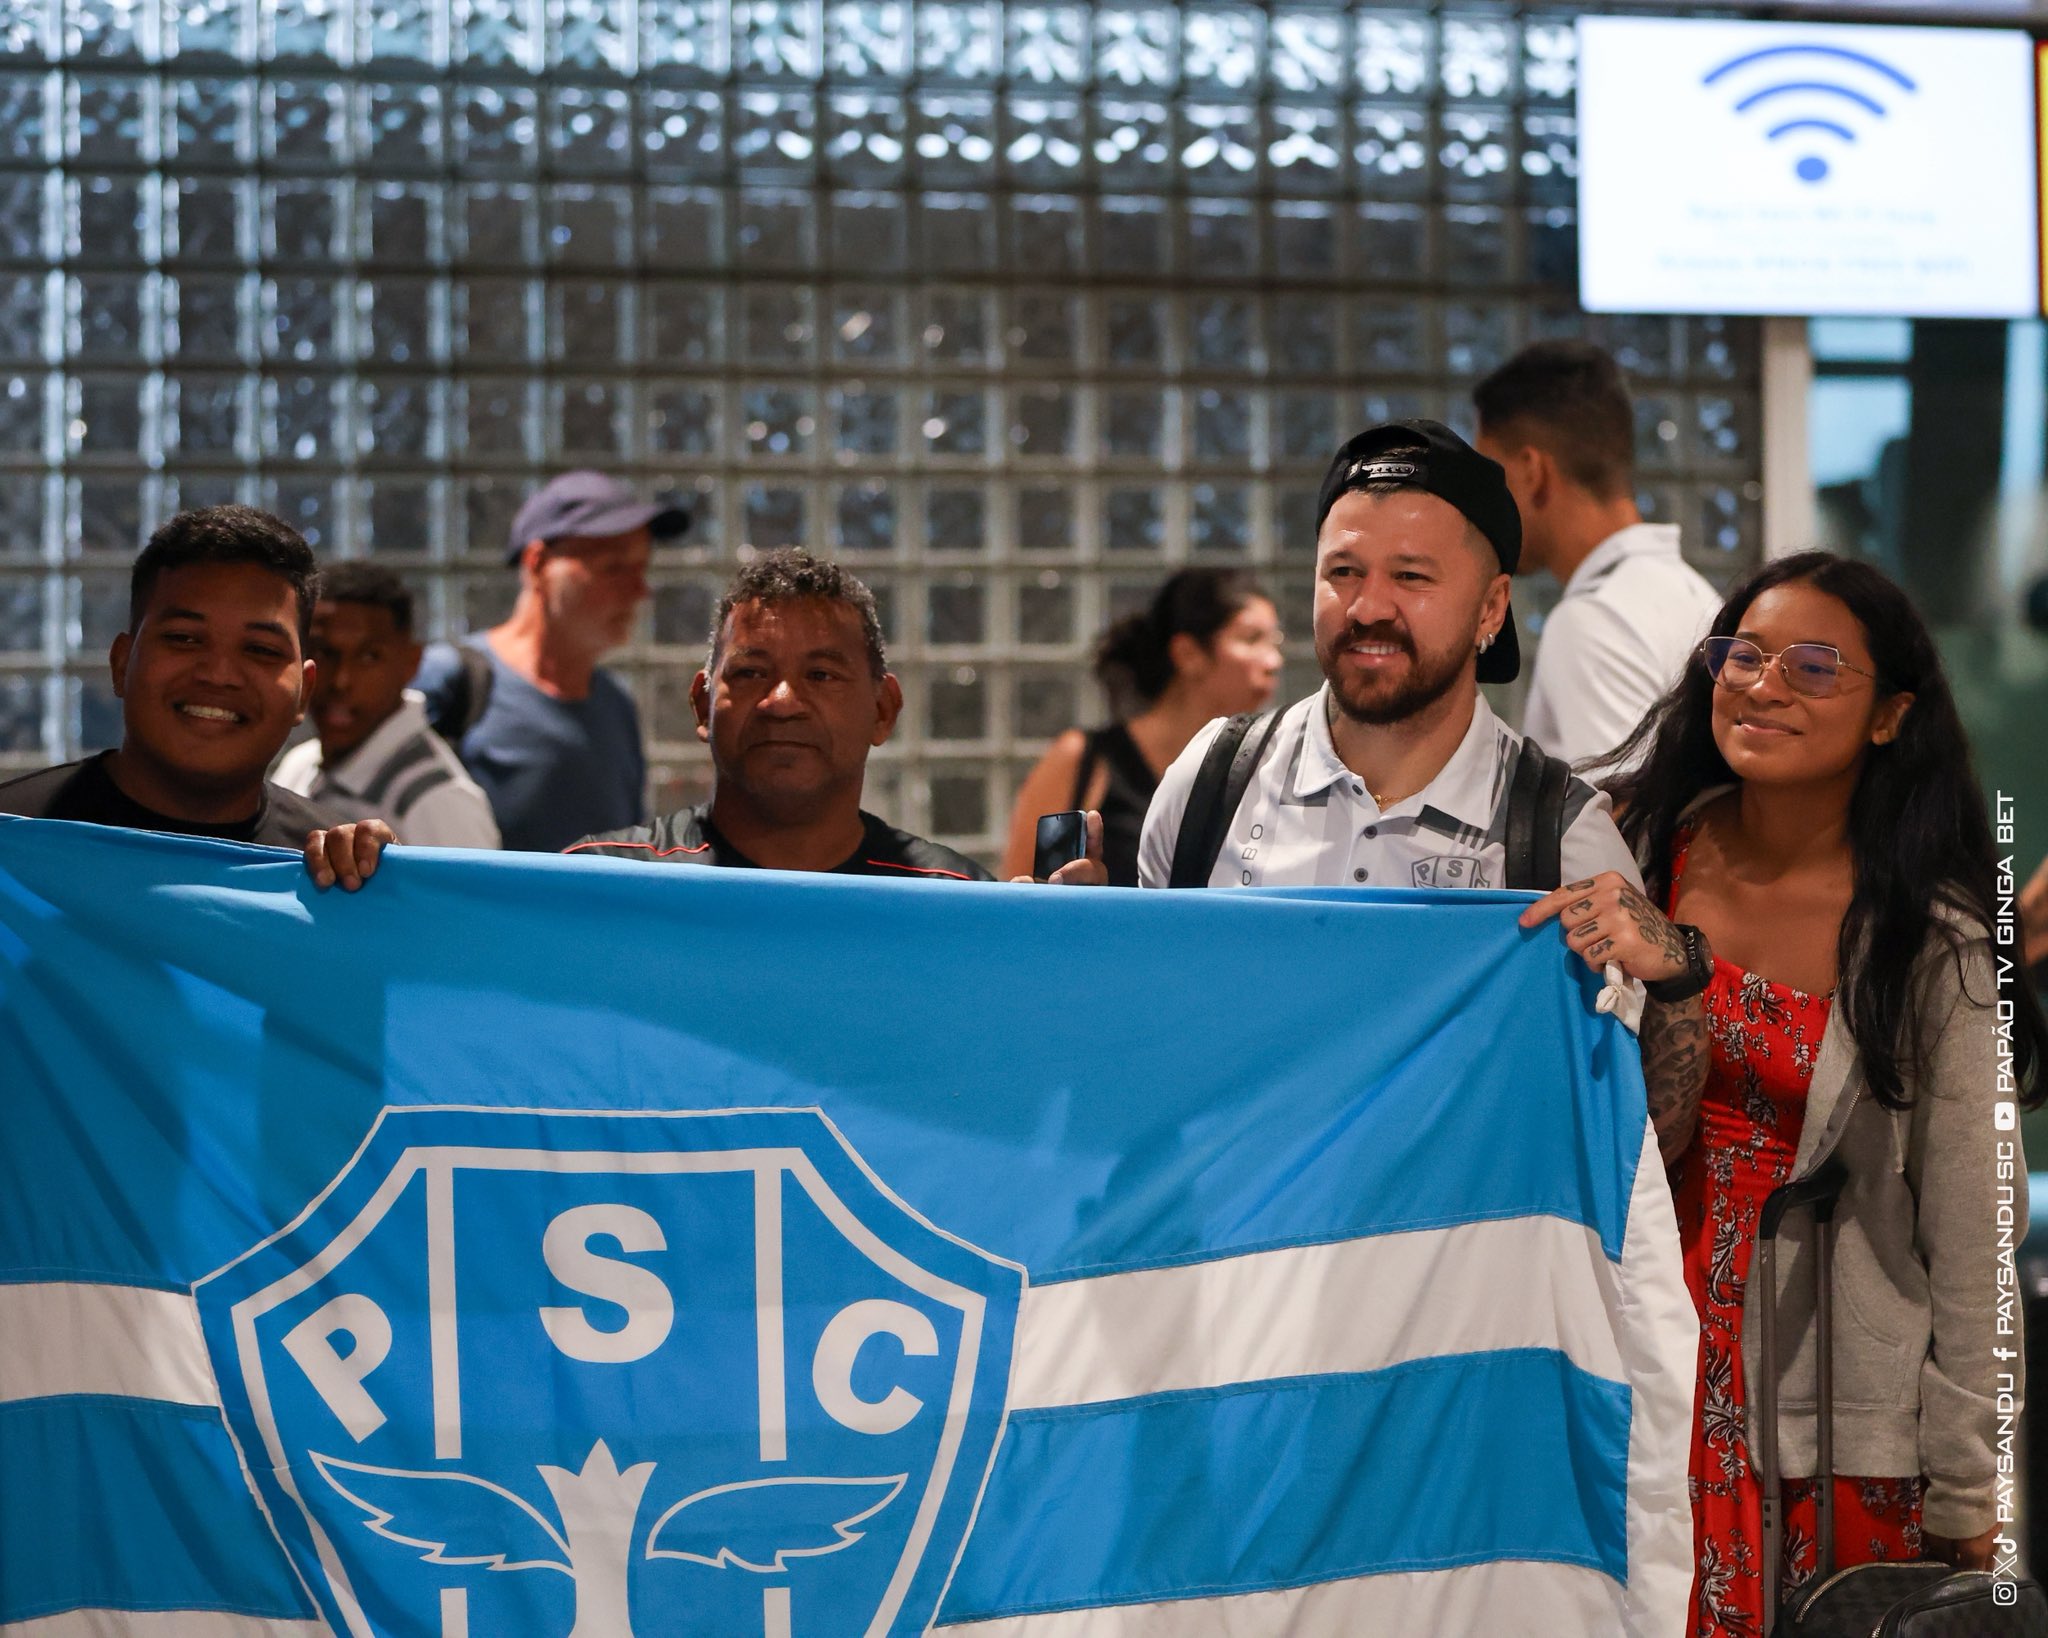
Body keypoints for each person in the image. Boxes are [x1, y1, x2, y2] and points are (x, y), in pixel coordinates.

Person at [1562, 550, 2042, 1631]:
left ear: (1889, 716)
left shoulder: (1933, 934)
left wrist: (1975, 1485)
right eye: (1741, 655)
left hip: (1838, 1434)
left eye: (1813, 667)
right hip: (1638, 1365)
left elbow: (1974, 1234)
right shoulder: (1634, 855)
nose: (1761, 684)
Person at [1118, 418, 1709, 1163]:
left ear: (1491, 609)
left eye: (1412, 577)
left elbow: (1641, 1150)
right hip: (1231, 1267)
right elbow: (1149, 1056)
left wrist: (1678, 973)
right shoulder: (1212, 781)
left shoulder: (1559, 837)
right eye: (1343, 572)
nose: (1368, 607)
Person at [0, 506, 383, 891]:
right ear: (121, 664)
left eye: (261, 650)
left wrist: (396, 888)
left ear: (305, 693)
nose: (219, 674)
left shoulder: (338, 875)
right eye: (184, 638)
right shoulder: (14, 841)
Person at [568, 549, 992, 881]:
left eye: (821, 675)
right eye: (751, 672)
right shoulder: (597, 886)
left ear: (883, 710)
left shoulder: (957, 907)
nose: (783, 702)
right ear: (703, 704)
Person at [1473, 340, 1721, 771]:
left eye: (1490, 477)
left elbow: (1620, 829)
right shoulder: (1691, 592)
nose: (1482, 505)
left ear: (1533, 472)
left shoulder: (1593, 622)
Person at [414, 470, 688, 852]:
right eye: (613, 567)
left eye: (642, 569)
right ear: (538, 564)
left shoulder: (616, 708)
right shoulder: (450, 679)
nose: (640, 591)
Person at [998, 568, 1282, 885]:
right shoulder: (1084, 759)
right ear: (1187, 654)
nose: (1273, 662)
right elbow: (1017, 894)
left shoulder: (1266, 767)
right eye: (1251, 639)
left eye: (1275, 643)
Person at [273, 562, 500, 849]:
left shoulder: (438, 801)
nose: (341, 680)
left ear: (410, 662)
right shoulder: (301, 764)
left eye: (369, 657)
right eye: (324, 651)